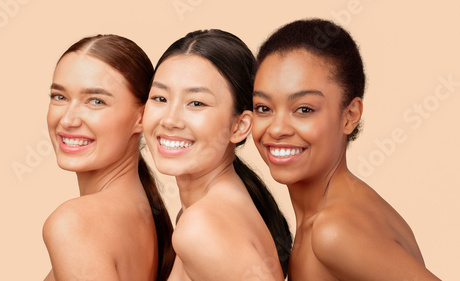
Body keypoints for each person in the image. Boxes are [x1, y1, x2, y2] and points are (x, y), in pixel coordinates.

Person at [252, 19, 440, 280]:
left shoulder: (334, 230)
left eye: (304, 109)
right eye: (264, 108)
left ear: (350, 115)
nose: (276, 128)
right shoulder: (330, 216)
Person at [142, 29, 292, 280]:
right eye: (160, 98)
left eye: (196, 103)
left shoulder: (202, 226)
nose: (169, 119)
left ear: (240, 126)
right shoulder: (206, 212)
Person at [43, 34, 175, 281]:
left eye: (96, 101)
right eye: (59, 97)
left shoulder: (74, 223)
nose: (68, 120)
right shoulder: (144, 213)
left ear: (142, 117)